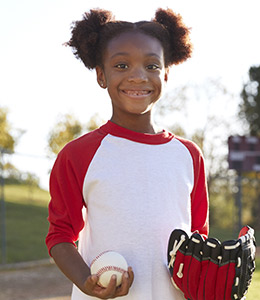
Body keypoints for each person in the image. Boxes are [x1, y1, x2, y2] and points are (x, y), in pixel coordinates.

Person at [46, 7, 209, 300]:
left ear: (166, 73)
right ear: (101, 75)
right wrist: (86, 281)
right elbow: (59, 236)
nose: (138, 77)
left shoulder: (188, 155)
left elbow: (198, 236)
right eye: (121, 65)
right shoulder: (78, 155)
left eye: (151, 66)